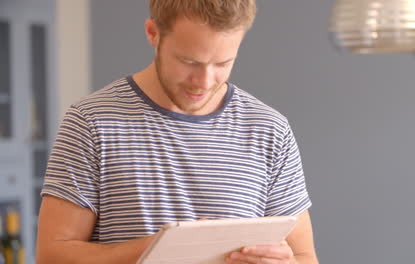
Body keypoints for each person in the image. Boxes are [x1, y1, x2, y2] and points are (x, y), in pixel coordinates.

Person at [35, 0, 319, 263]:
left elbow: (305, 256)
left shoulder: (270, 130)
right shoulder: (90, 122)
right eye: (189, 62)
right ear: (153, 33)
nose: (204, 82)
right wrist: (171, 246)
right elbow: (52, 256)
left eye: (222, 64)